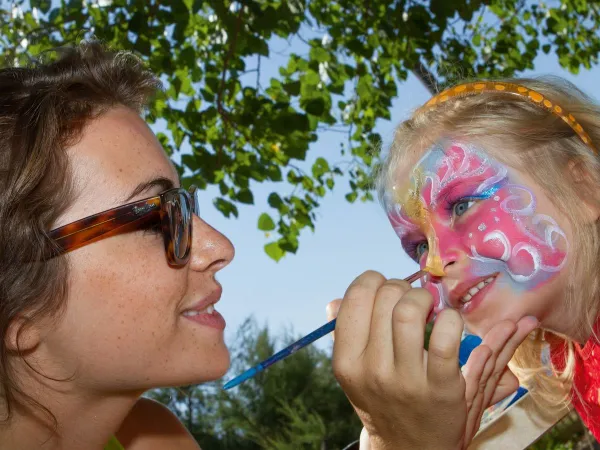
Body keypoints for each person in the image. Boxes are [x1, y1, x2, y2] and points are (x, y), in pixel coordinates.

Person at [327, 78, 600, 449]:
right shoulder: (574, 357)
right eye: (419, 246)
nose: (434, 263)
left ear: (584, 189)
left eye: (461, 206)